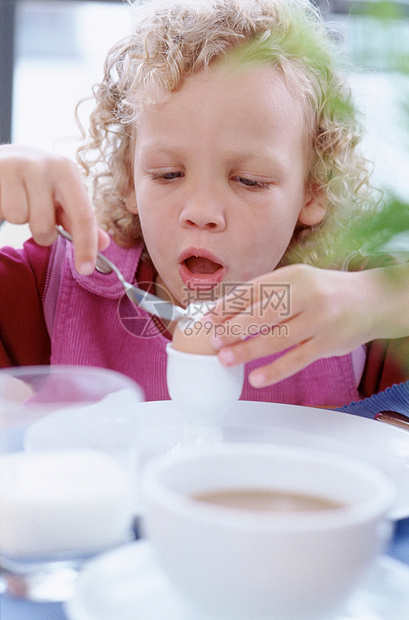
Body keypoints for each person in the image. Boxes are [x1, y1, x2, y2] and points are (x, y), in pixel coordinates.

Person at [0, 0, 408, 407]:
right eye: (168, 175)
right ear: (130, 177)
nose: (202, 212)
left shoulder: (350, 311)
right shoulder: (51, 291)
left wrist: (376, 303)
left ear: (313, 190)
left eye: (250, 181)